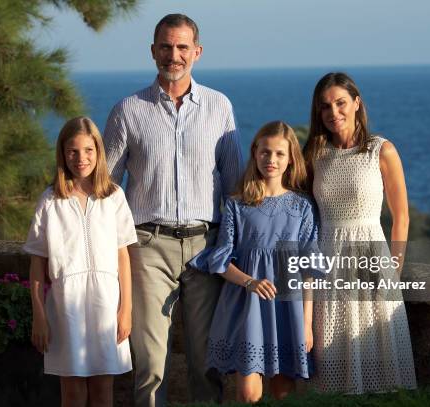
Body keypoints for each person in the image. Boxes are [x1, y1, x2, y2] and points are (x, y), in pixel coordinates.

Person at [102, 14, 243, 407]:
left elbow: (234, 185)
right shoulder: (128, 110)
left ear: (197, 52)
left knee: (207, 364)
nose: (174, 55)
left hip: (207, 247)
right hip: (147, 246)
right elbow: (107, 188)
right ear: (153, 51)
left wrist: (237, 249)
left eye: (182, 47)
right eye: (166, 46)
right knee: (150, 366)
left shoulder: (219, 107)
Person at [303, 72, 417, 394]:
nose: (333, 112)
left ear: (356, 103)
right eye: (325, 106)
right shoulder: (315, 154)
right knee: (332, 342)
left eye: (340, 103)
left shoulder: (381, 150)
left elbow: (402, 216)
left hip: (371, 257)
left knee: (375, 340)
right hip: (328, 258)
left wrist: (394, 268)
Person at [189, 121, 317, 403]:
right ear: (255, 153)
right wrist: (250, 281)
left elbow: (309, 269)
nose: (271, 160)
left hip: (288, 307)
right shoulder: (238, 203)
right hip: (247, 305)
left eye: (279, 154)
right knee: (248, 394)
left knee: (283, 393)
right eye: (265, 152)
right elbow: (220, 260)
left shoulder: (303, 207)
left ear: (290, 158)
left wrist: (307, 323)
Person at [25, 116, 137, 407]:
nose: (81, 158)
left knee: (103, 391)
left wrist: (125, 309)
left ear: (99, 152)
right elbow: (37, 264)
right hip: (65, 307)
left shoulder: (113, 197)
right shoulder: (50, 201)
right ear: (62, 153)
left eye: (88, 150)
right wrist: (39, 315)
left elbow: (123, 256)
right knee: (72, 394)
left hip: (106, 306)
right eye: (73, 151)